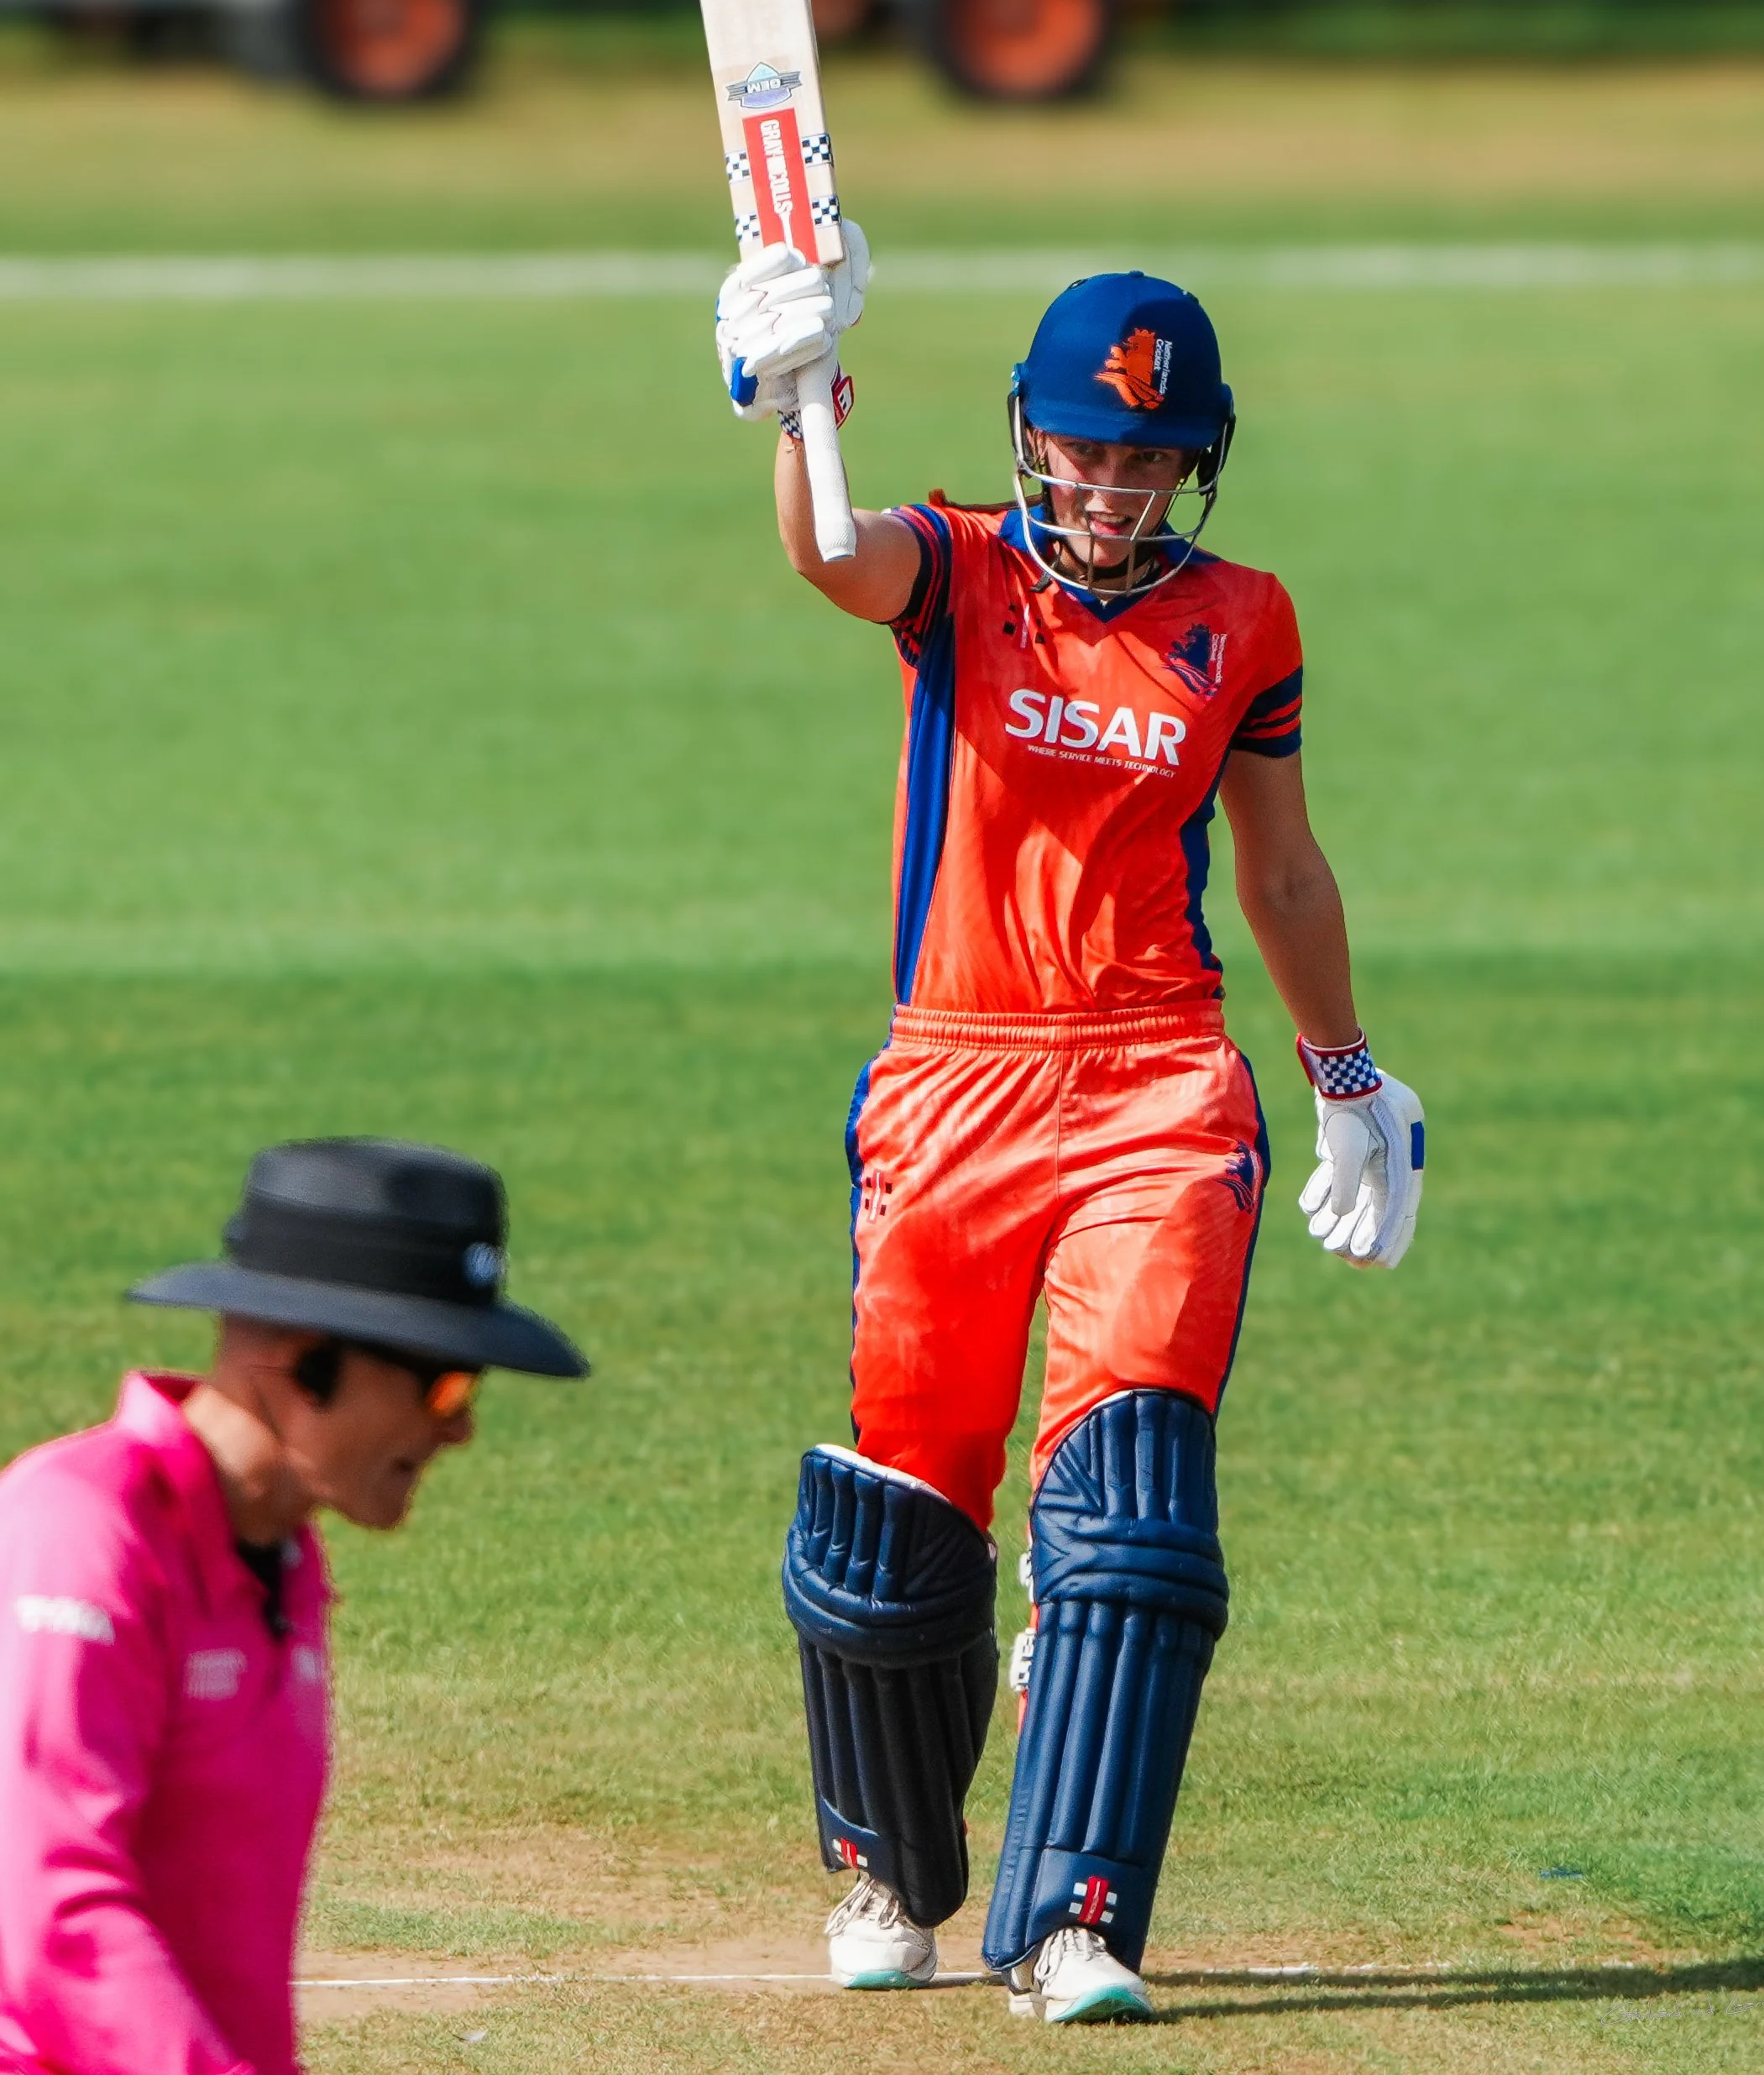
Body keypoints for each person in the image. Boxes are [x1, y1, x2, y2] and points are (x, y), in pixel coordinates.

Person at [715, 235, 1425, 2023]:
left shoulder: (1242, 617)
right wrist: (783, 398)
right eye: (1083, 455)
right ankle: (892, 1861)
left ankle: (1077, 1917)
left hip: (1154, 1080)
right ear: (1030, 442)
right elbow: (822, 549)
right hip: (948, 1078)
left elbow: (1275, 863)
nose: (1111, 492)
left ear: (1194, 462)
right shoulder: (951, 566)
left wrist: (1343, 1071)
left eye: (1146, 461)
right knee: (910, 1507)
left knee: (1127, 1519)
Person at [0, 1136, 587, 2075]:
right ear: (300, 1359)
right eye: (444, 1382)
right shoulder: (80, 1529)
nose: (461, 1426)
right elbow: (52, 1908)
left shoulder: (284, 1555)